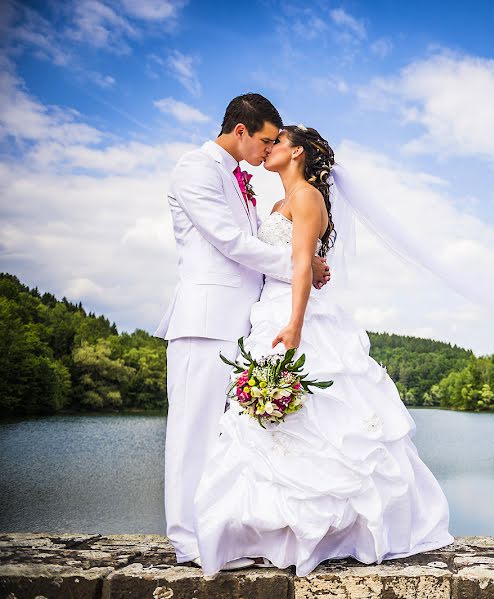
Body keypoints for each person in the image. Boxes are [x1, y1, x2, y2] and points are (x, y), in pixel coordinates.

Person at [192, 125, 454, 575]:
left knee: (318, 419)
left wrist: (294, 324)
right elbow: (282, 259)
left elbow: (299, 268)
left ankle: (332, 532)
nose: (267, 147)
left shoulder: (307, 197)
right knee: (267, 426)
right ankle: (271, 531)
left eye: (276, 142)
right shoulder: (277, 203)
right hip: (267, 314)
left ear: (296, 153)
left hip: (297, 317)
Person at [154, 94, 332, 570]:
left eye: (276, 142)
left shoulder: (240, 181)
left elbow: (252, 238)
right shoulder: (197, 169)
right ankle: (187, 540)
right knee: (192, 431)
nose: (267, 149)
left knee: (222, 436)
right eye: (265, 140)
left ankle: (217, 532)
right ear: (240, 131)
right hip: (205, 318)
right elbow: (230, 242)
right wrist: (301, 265)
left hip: (243, 324)